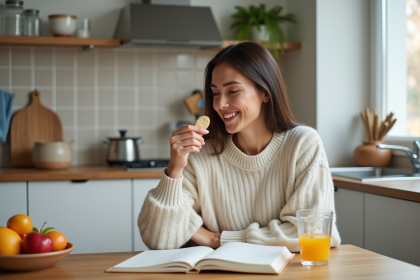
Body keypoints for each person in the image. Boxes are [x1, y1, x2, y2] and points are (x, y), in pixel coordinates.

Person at [138, 42, 341, 252]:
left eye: (233, 91)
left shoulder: (303, 144)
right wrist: (174, 169)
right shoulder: (201, 155)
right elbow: (157, 239)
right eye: (215, 93)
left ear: (265, 92)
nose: (219, 104)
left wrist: (217, 239)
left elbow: (315, 231)